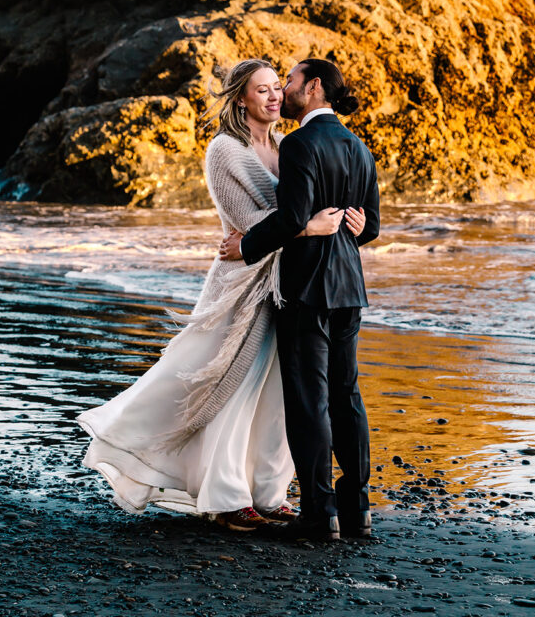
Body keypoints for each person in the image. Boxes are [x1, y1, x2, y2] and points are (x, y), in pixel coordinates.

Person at [76, 59, 367, 532]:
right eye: (262, 91)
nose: (274, 97)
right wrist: (307, 227)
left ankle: (269, 491)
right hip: (242, 282)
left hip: (288, 282)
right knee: (231, 385)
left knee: (278, 393)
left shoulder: (284, 147)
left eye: (278, 88)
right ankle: (226, 494)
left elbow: (304, 210)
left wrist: (343, 223)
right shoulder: (224, 151)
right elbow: (242, 221)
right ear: (240, 99)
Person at [219, 59, 380, 542]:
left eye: (288, 81)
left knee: (310, 402)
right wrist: (357, 227)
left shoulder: (298, 144)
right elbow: (370, 224)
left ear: (312, 88)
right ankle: (357, 510)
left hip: (308, 286)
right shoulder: (359, 148)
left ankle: (319, 512)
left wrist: (244, 246)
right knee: (347, 397)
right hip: (350, 288)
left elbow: (291, 218)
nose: (283, 90)